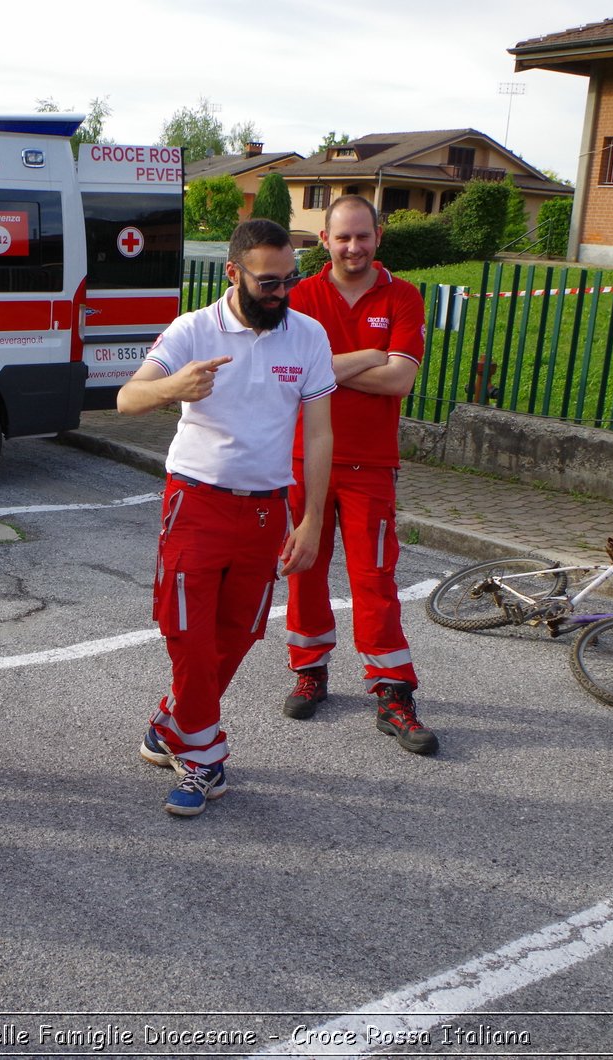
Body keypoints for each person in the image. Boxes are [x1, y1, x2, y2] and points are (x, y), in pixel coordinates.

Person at [120, 218, 334, 816]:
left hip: (267, 510)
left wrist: (311, 518)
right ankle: (204, 758)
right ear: (233, 272)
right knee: (187, 632)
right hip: (196, 501)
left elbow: (318, 433)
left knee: (238, 634)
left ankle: (171, 723)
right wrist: (174, 388)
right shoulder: (193, 330)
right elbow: (126, 398)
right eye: (269, 282)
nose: (282, 293)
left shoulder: (308, 336)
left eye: (290, 280)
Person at [278, 195, 437, 754]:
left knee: (375, 579)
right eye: (342, 237)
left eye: (362, 236)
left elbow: (399, 382)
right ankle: (310, 669)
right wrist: (371, 353)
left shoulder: (403, 296)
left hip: (371, 464)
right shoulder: (299, 296)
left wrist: (325, 370)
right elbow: (291, 376)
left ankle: (392, 691)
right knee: (303, 569)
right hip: (302, 459)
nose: (353, 247)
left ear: (378, 235)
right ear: (323, 239)